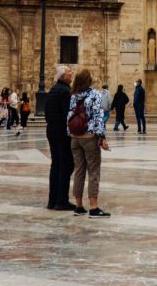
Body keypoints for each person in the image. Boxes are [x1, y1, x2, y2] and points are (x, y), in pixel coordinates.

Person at [67, 68, 111, 217]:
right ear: (88, 80)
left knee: (78, 171)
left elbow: (69, 116)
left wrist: (70, 134)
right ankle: (93, 207)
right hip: (89, 138)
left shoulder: (73, 96)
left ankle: (78, 206)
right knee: (93, 172)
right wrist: (102, 137)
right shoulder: (94, 95)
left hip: (75, 138)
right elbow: (99, 117)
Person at [46, 64, 75, 211]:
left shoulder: (52, 90)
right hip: (63, 134)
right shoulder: (65, 92)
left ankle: (52, 200)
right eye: (70, 71)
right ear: (64, 76)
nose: (72, 73)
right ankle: (62, 200)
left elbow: (47, 113)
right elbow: (68, 115)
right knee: (66, 165)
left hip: (52, 131)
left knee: (56, 165)